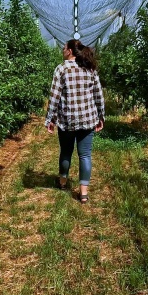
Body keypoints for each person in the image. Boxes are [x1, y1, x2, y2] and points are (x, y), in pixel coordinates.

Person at [45, 39, 105, 203]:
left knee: (66, 152)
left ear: (70, 51)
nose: (63, 51)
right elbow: (98, 95)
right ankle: (83, 193)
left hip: (67, 120)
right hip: (88, 119)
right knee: (85, 155)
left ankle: (63, 182)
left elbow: (55, 97)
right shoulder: (89, 69)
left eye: (64, 48)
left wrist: (51, 119)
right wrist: (101, 116)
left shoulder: (61, 69)